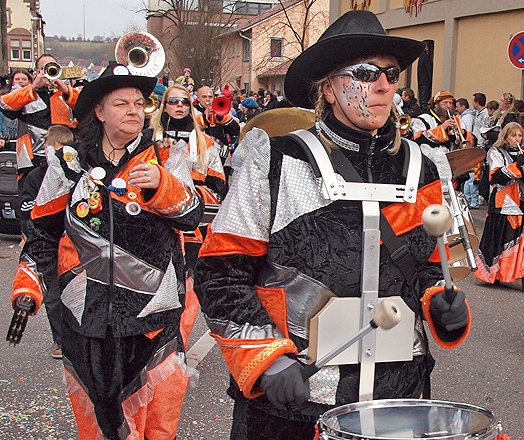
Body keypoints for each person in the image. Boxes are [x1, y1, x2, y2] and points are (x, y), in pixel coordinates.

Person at [194, 10, 471, 439]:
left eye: (391, 74)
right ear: (329, 87)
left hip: (397, 401)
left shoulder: (424, 167)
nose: (384, 85)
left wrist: (441, 302)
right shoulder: (275, 160)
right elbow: (220, 272)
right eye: (366, 73)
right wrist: (267, 356)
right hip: (293, 402)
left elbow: (430, 267)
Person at [10, 63, 204, 440]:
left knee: (158, 424)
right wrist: (28, 284)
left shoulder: (164, 156)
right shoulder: (69, 163)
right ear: (99, 111)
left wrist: (163, 187)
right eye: (122, 103)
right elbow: (41, 231)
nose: (134, 110)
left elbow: (192, 216)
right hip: (86, 319)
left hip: (152, 321)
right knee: (99, 426)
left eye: (139, 103)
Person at [17, 125, 74, 359]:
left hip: (73, 243)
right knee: (53, 297)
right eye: (55, 149)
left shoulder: (75, 173)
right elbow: (25, 207)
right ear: (47, 147)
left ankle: (77, 340)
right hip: (47, 243)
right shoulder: (36, 176)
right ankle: (59, 341)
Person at [0, 54, 80, 179]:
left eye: (53, 67)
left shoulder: (65, 93)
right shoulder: (26, 93)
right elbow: (5, 105)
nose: (48, 71)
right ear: (36, 71)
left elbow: (87, 107)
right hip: (32, 160)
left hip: (65, 157)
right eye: (44, 68)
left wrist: (65, 90)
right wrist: (33, 87)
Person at [474, 122, 524, 288]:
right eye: (513, 135)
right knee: (498, 239)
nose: (517, 139)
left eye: (520, 135)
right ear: (505, 137)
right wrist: (518, 166)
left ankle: (518, 273)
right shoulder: (496, 152)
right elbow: (497, 177)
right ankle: (493, 274)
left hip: (521, 201)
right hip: (503, 203)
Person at [0, 69, 33, 142]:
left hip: (26, 133)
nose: (20, 81)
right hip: (6, 133)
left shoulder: (34, 97)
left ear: (29, 81)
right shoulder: (4, 95)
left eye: (24, 79)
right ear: (12, 81)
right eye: (17, 79)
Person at [417, 41, 433, 112]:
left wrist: (429, 80)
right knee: (422, 100)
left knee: (423, 101)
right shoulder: (422, 57)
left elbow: (429, 69)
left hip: (424, 82)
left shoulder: (425, 57)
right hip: (422, 82)